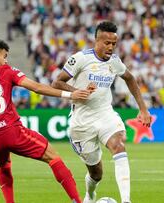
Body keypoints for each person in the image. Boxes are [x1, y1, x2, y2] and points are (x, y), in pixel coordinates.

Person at [0, 39, 93, 203]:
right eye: (4, 56)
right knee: (53, 157)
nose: (6, 60)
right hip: (11, 131)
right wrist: (69, 95)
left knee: (4, 167)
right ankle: (77, 201)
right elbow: (36, 87)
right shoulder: (6, 71)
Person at [51, 21, 152, 203]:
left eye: (114, 44)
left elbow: (130, 78)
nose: (111, 47)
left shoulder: (114, 61)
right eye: (107, 43)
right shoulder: (80, 59)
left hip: (105, 114)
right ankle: (90, 195)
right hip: (82, 121)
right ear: (96, 41)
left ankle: (126, 200)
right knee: (96, 174)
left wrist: (143, 109)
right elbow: (57, 83)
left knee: (118, 144)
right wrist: (75, 92)